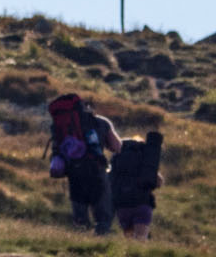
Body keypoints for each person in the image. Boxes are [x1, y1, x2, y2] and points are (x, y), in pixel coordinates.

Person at [47, 92, 121, 235]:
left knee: (80, 217)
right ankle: (100, 244)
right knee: (103, 216)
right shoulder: (100, 122)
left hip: (74, 172)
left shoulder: (61, 124)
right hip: (97, 171)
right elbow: (116, 147)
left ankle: (80, 241)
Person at [109, 131, 164, 239]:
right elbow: (158, 182)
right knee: (140, 239)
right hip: (142, 204)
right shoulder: (145, 164)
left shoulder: (117, 160)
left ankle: (131, 255)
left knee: (129, 240)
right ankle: (140, 256)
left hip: (122, 206)